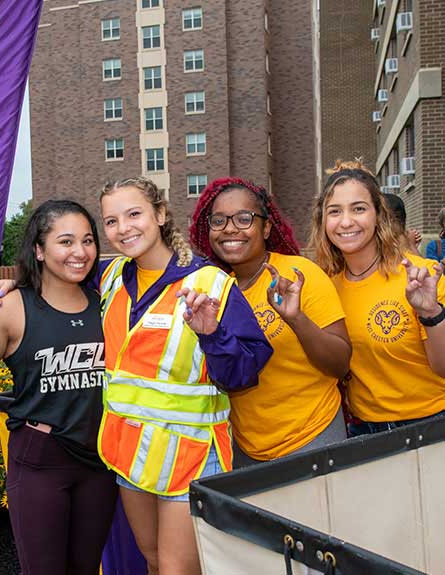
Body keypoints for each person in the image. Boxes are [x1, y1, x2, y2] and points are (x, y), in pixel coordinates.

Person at [0, 178, 272, 574]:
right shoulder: (109, 278)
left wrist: (213, 336)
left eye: (134, 214)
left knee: (177, 570)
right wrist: (15, 284)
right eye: (111, 221)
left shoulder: (209, 283)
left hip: (189, 455)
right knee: (153, 562)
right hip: (131, 455)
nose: (123, 228)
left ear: (159, 215)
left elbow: (245, 374)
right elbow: (55, 272)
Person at [0, 200, 117, 575]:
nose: (80, 252)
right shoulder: (12, 306)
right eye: (66, 241)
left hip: (100, 462)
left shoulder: (108, 302)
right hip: (42, 460)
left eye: (88, 241)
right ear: (39, 250)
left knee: (85, 569)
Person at [189, 178, 351, 467]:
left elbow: (340, 364)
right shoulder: (211, 288)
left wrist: (296, 319)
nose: (230, 228)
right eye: (219, 220)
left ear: (265, 227)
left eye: (243, 218)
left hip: (314, 436)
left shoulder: (299, 273)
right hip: (246, 449)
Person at [309, 160, 445, 436]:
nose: (346, 221)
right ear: (323, 221)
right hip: (364, 432)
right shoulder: (325, 287)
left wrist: (430, 312)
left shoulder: (422, 276)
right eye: (334, 211)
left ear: (378, 215)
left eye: (358, 208)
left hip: (432, 425)